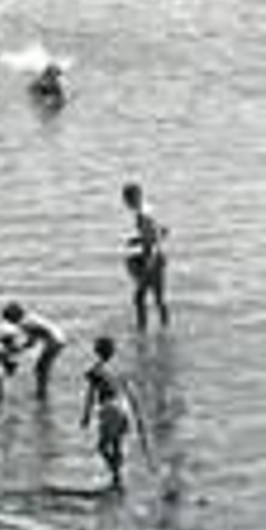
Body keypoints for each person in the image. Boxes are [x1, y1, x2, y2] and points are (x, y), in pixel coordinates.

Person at [80, 336, 147, 492]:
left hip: (109, 407)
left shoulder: (94, 371)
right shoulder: (121, 370)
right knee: (118, 444)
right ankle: (118, 480)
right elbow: (132, 393)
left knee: (102, 447)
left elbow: (90, 395)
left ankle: (116, 475)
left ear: (96, 352)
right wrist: (139, 417)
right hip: (124, 405)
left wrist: (86, 416)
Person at [122, 181, 171, 330]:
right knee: (159, 299)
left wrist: (148, 263)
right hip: (159, 257)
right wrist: (137, 240)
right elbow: (163, 231)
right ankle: (165, 330)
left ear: (133, 198)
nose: (126, 204)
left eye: (127, 200)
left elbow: (152, 238)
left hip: (151, 260)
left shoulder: (141, 216)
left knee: (139, 299)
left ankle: (142, 330)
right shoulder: (149, 210)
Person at [0, 302, 67, 397]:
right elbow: (33, 339)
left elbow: (32, 340)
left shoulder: (25, 323)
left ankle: (42, 392)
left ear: (14, 316)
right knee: (41, 367)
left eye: (9, 320)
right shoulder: (28, 319)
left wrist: (17, 350)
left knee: (42, 367)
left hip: (55, 340)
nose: (10, 323)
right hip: (57, 338)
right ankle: (41, 390)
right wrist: (21, 348)